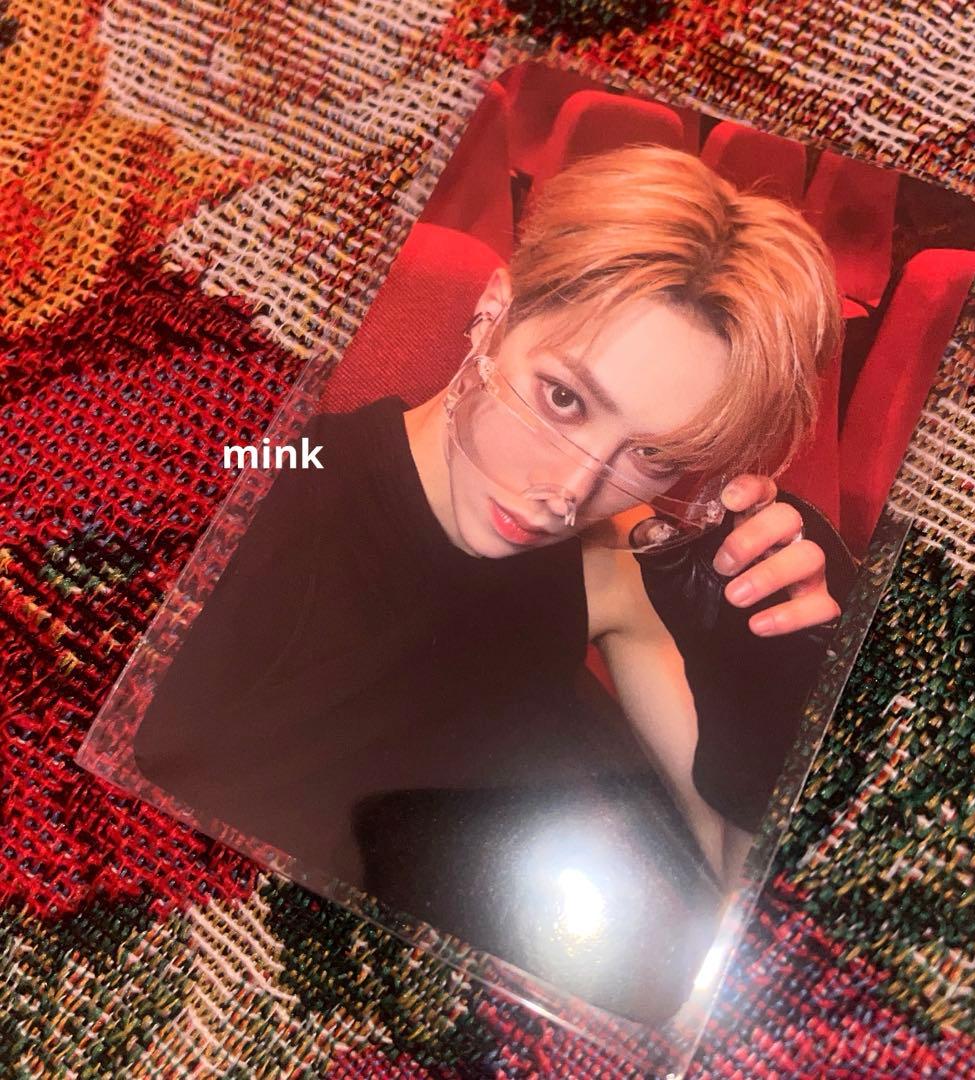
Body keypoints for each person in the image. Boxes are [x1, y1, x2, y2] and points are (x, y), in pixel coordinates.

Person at [131, 145, 854, 1023]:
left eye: (652, 455)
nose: (570, 491)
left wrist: (768, 712)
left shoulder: (618, 566)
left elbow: (726, 904)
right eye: (563, 399)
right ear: (493, 313)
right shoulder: (283, 474)